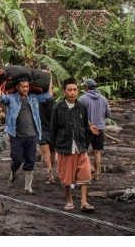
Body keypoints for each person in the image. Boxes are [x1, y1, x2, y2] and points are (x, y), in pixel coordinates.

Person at [0, 68, 53, 195]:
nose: (25, 89)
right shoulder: (12, 99)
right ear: (17, 87)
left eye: (27, 86)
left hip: (31, 135)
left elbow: (49, 95)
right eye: (23, 87)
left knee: (30, 160)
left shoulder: (33, 98)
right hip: (16, 135)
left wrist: (49, 77)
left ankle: (28, 187)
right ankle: (13, 174)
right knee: (17, 159)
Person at [50, 77, 96, 212]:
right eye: (69, 90)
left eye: (75, 90)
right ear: (64, 92)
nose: (72, 93)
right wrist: (57, 146)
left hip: (80, 147)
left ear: (78, 91)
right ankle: (69, 200)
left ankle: (84, 202)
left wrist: (85, 144)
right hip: (64, 147)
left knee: (85, 173)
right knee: (66, 176)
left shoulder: (82, 107)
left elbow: (85, 127)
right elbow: (53, 129)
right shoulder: (57, 108)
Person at [79, 78, 112, 181]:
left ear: (86, 87)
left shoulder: (83, 98)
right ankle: (97, 174)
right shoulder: (103, 99)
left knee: (82, 150)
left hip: (87, 128)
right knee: (97, 152)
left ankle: (89, 167)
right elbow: (108, 114)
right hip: (100, 128)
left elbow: (80, 114)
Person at [39, 96, 57, 184]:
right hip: (53, 131)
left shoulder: (38, 104)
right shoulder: (55, 104)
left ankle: (50, 176)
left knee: (45, 155)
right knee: (53, 151)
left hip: (43, 131)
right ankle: (51, 171)